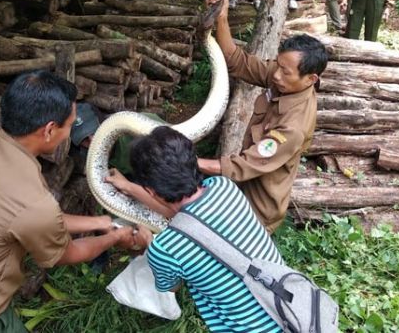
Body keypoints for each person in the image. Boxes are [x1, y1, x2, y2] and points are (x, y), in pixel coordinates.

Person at [0, 71, 150, 332]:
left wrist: (99, 221)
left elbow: (21, 218)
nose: (69, 134)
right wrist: (115, 238)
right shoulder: (31, 201)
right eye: (68, 125)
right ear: (49, 131)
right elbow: (67, 253)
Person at [106, 126, 286, 332]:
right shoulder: (224, 188)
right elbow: (188, 218)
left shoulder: (164, 249)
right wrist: (131, 188)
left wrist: (149, 242)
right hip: (290, 309)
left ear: (151, 191)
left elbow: (172, 287)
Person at [195, 0, 328, 233]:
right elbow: (238, 62)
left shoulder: (294, 126)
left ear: (310, 79)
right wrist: (221, 18)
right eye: (277, 65)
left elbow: (242, 166)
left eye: (285, 71)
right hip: (238, 194)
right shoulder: (284, 79)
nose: (275, 75)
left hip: (255, 216)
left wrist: (191, 162)